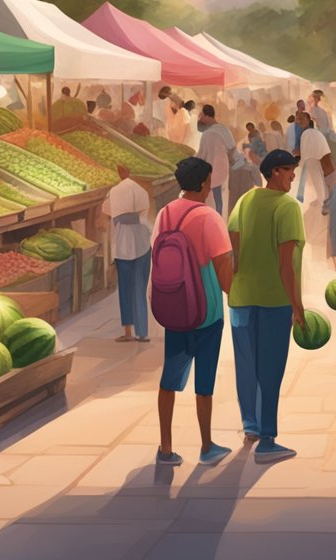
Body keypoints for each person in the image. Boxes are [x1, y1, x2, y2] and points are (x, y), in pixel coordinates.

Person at [152, 158, 235, 467]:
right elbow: (224, 269)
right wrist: (236, 296)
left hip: (174, 308)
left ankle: (165, 446)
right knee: (204, 383)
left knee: (169, 378)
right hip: (206, 312)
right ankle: (206, 445)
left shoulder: (164, 214)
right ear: (203, 183)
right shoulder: (209, 218)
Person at [228, 149, 306, 463]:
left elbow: (233, 246)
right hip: (274, 299)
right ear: (275, 171)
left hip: (242, 298)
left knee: (246, 366)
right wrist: (297, 306)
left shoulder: (245, 200)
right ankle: (268, 439)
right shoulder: (287, 207)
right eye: (289, 171)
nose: (292, 176)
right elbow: (286, 266)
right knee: (270, 369)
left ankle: (251, 426)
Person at [101, 164, 152, 342]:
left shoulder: (114, 192)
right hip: (143, 245)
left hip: (123, 248)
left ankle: (128, 332)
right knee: (139, 289)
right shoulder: (141, 191)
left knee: (125, 290)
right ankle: (143, 332)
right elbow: (143, 215)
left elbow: (106, 211)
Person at [196, 105, 236, 215]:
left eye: (202, 116)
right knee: (218, 198)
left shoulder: (207, 134)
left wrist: (191, 159)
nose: (201, 118)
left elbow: (201, 154)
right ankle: (219, 217)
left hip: (210, 169)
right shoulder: (224, 129)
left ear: (208, 116)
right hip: (222, 168)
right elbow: (232, 148)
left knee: (208, 198)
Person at [294, 111, 335, 208]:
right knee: (319, 180)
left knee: (318, 181)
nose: (300, 121)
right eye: (299, 119)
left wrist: (300, 163)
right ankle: (321, 199)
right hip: (319, 158)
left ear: (309, 120)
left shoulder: (307, 133)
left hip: (313, 160)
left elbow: (305, 152)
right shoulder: (313, 132)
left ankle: (322, 202)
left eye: (303, 119)